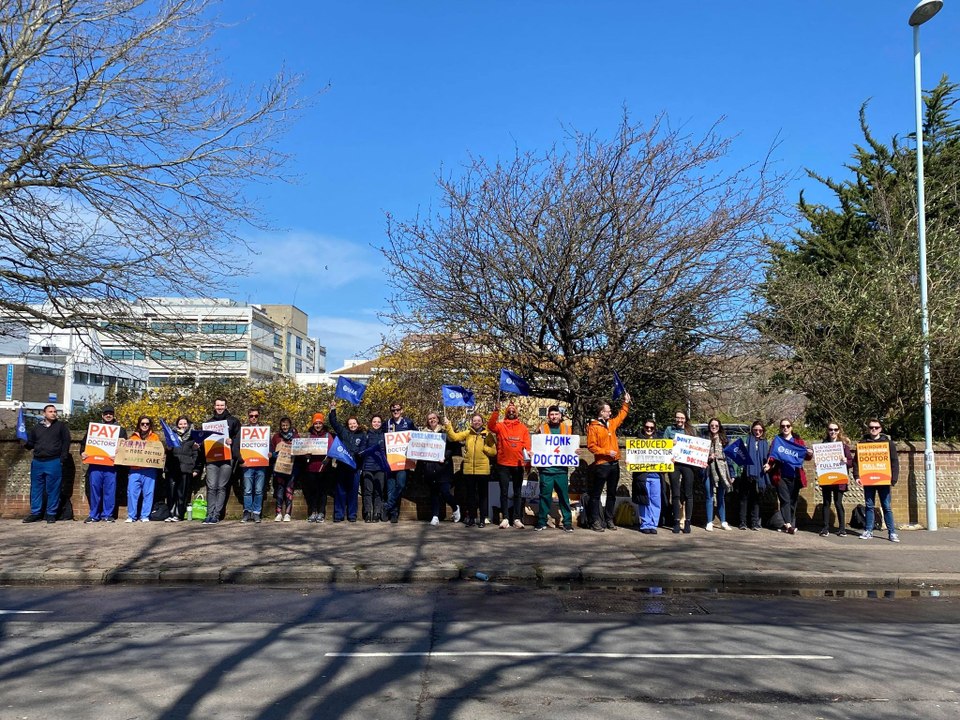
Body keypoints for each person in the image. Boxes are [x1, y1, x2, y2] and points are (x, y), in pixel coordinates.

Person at [586, 393, 631, 532]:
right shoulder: (593, 427)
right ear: (601, 412)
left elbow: (621, 416)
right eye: (607, 410)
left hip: (614, 464)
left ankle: (609, 519)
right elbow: (591, 446)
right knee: (596, 494)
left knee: (612, 493)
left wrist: (626, 403)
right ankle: (595, 521)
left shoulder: (611, 424)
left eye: (610, 411)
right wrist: (606, 452)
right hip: (602, 464)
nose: (610, 412)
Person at [22, 404, 72, 524]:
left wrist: (62, 458)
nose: (53, 413)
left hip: (53, 461)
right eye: (50, 411)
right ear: (44, 413)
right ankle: (35, 513)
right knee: (36, 489)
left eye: (55, 411)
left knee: (53, 489)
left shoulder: (61, 426)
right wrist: (23, 442)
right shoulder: (36, 428)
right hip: (38, 461)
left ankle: (51, 514)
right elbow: (31, 444)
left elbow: (66, 442)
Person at [445, 412, 497, 527]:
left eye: (479, 420)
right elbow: (454, 437)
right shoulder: (468, 433)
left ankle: (482, 519)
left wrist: (484, 448)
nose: (476, 422)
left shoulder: (487, 434)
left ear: (482, 422)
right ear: (471, 422)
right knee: (470, 495)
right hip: (469, 470)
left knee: (483, 496)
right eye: (474, 420)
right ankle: (472, 518)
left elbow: (494, 451)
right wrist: (448, 426)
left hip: (483, 470)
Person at [763, 419, 812, 535]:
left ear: (791, 427)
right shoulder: (777, 440)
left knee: (792, 501)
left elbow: (805, 456)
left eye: (788, 426)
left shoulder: (798, 441)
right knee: (784, 500)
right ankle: (789, 525)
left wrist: (809, 454)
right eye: (783, 426)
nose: (785, 428)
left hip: (795, 476)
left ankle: (790, 523)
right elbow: (772, 455)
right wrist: (768, 464)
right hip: (780, 476)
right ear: (780, 428)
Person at [854, 418, 900, 542]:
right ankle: (868, 530)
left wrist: (893, 479)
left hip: (884, 480)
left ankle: (892, 533)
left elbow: (894, 461)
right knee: (869, 506)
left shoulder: (888, 443)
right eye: (871, 427)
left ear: (881, 429)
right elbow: (856, 461)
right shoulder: (862, 443)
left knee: (886, 506)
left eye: (876, 427)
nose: (873, 429)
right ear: (868, 428)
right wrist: (857, 476)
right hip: (868, 480)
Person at [487, 401, 532, 529]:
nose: (511, 412)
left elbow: (527, 446)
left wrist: (528, 462)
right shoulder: (500, 426)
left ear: (516, 413)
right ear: (506, 413)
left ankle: (516, 518)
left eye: (513, 411)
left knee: (518, 492)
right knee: (504, 492)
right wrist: (496, 411)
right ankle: (505, 518)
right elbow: (490, 426)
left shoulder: (523, 428)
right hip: (503, 464)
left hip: (518, 464)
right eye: (509, 411)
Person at [533, 406, 576, 533]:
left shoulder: (567, 428)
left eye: (556, 414)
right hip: (546, 470)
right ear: (548, 416)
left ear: (560, 415)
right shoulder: (541, 428)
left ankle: (567, 522)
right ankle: (541, 521)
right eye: (551, 414)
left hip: (561, 470)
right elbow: (535, 445)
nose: (554, 416)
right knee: (544, 497)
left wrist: (576, 451)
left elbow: (571, 446)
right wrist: (532, 452)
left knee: (564, 497)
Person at [80, 405, 126, 523]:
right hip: (95, 465)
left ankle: (107, 514)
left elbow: (123, 447)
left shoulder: (120, 430)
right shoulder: (94, 429)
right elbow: (84, 444)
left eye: (110, 413)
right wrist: (83, 453)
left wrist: (118, 453)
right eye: (106, 413)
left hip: (111, 465)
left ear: (114, 415)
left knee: (110, 491)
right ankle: (94, 515)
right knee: (95, 490)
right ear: (102, 415)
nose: (108, 415)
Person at [201, 397, 240, 525]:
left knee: (222, 487)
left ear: (226, 406)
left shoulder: (233, 421)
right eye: (217, 405)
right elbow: (205, 443)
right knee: (211, 486)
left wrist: (232, 441)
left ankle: (216, 515)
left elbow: (239, 439)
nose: (219, 407)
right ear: (214, 406)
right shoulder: (208, 423)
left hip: (227, 459)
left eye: (222, 405)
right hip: (212, 459)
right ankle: (209, 514)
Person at [420, 411, 460, 526]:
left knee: (445, 491)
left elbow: (452, 448)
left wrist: (445, 456)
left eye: (434, 418)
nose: (432, 420)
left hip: (443, 467)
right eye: (429, 419)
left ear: (438, 419)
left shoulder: (445, 431)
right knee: (434, 493)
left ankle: (455, 506)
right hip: (430, 467)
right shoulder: (423, 433)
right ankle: (435, 516)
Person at [328, 402, 363, 523]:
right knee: (340, 491)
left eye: (354, 423)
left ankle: (352, 515)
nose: (352, 425)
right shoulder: (343, 432)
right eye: (350, 423)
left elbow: (364, 449)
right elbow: (333, 422)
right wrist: (333, 409)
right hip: (342, 467)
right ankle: (339, 515)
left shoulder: (362, 435)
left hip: (355, 468)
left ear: (358, 424)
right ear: (347, 425)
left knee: (353, 493)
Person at [382, 402, 416, 523]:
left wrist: (413, 440)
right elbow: (382, 440)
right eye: (393, 410)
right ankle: (393, 514)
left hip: (403, 461)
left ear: (402, 410)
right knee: (390, 488)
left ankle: (387, 506)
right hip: (390, 461)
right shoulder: (387, 423)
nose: (395, 412)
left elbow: (417, 436)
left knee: (400, 485)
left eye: (397, 409)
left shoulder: (409, 422)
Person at [663, 410, 696, 534]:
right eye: (677, 418)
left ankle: (687, 522)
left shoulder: (691, 431)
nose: (679, 420)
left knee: (688, 494)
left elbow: (697, 447)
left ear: (685, 419)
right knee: (675, 493)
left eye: (682, 418)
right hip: (674, 464)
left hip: (688, 465)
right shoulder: (669, 430)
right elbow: (663, 445)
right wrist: (670, 444)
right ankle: (676, 521)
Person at [819, 422, 854, 537]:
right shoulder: (823, 445)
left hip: (839, 479)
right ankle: (825, 528)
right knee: (826, 503)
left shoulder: (843, 446)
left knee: (838, 503)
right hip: (827, 478)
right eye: (830, 429)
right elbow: (819, 461)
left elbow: (851, 462)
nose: (833, 432)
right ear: (827, 431)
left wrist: (846, 461)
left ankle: (842, 529)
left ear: (838, 431)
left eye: (835, 429)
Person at [125, 416, 161, 522]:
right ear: (139, 425)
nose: (145, 425)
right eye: (142, 423)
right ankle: (131, 516)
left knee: (148, 493)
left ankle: (145, 515)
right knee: (132, 492)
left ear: (150, 425)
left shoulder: (155, 437)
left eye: (147, 424)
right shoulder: (133, 438)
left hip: (149, 470)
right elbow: (126, 451)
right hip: (135, 470)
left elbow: (158, 451)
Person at [166, 415, 200, 522]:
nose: (183, 426)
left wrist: (195, 468)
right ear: (177, 425)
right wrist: (168, 448)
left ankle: (179, 514)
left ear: (188, 424)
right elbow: (167, 452)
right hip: (172, 467)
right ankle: (170, 513)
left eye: (185, 423)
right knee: (171, 492)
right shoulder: (171, 436)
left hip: (186, 468)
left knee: (182, 493)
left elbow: (196, 455)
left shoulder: (193, 437)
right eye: (180, 424)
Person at [738, 421, 770, 531]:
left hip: (760, 474)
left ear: (763, 431)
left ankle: (755, 522)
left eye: (760, 430)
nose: (757, 432)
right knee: (744, 499)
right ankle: (742, 522)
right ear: (752, 430)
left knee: (756, 499)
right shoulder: (746, 440)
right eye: (755, 430)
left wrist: (768, 465)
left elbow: (769, 457)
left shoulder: (765, 443)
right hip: (746, 474)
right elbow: (738, 453)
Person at [303, 413, 334, 523]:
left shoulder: (327, 435)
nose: (318, 425)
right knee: (312, 492)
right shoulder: (309, 436)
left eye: (320, 423)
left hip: (324, 468)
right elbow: (304, 450)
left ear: (323, 423)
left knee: (322, 492)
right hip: (311, 468)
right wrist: (306, 454)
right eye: (316, 423)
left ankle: (321, 512)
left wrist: (328, 458)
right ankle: (313, 512)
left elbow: (332, 450)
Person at [704, 418, 734, 531]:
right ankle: (709, 522)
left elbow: (730, 457)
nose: (714, 427)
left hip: (722, 470)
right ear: (709, 426)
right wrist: (708, 457)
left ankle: (723, 521)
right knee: (709, 496)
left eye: (716, 425)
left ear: (719, 426)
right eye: (712, 425)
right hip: (708, 470)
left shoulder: (725, 439)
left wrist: (732, 473)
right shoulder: (705, 439)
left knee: (721, 496)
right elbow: (699, 454)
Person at [633, 419, 662, 534]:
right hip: (643, 476)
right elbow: (633, 457)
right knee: (643, 501)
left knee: (655, 501)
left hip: (656, 476)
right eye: (647, 427)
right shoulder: (637, 441)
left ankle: (653, 525)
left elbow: (666, 456)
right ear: (643, 427)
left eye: (651, 428)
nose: (649, 429)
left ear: (655, 429)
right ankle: (645, 524)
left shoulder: (660, 442)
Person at [359, 414, 388, 522]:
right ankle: (367, 513)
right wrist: (363, 451)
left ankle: (377, 513)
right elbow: (361, 450)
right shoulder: (365, 435)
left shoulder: (385, 436)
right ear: (371, 423)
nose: (376, 423)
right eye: (374, 421)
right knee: (367, 491)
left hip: (380, 467)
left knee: (378, 491)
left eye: (379, 422)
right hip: (368, 467)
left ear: (381, 424)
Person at [270, 416, 299, 522]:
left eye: (287, 425)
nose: (285, 427)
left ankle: (287, 513)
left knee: (289, 490)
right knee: (279, 490)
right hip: (279, 469)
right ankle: (278, 513)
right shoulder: (276, 437)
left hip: (292, 468)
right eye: (283, 425)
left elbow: (300, 451)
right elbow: (272, 451)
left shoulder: (296, 437)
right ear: (280, 426)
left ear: (290, 425)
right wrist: (272, 455)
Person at [241, 407, 267, 523]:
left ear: (259, 417)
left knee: (259, 490)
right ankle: (247, 512)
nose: (254, 418)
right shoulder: (243, 430)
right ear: (248, 417)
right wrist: (241, 460)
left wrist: (270, 453)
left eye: (256, 416)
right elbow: (238, 446)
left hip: (261, 464)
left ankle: (256, 513)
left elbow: (268, 446)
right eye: (251, 416)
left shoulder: (264, 430)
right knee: (247, 490)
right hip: (247, 464)